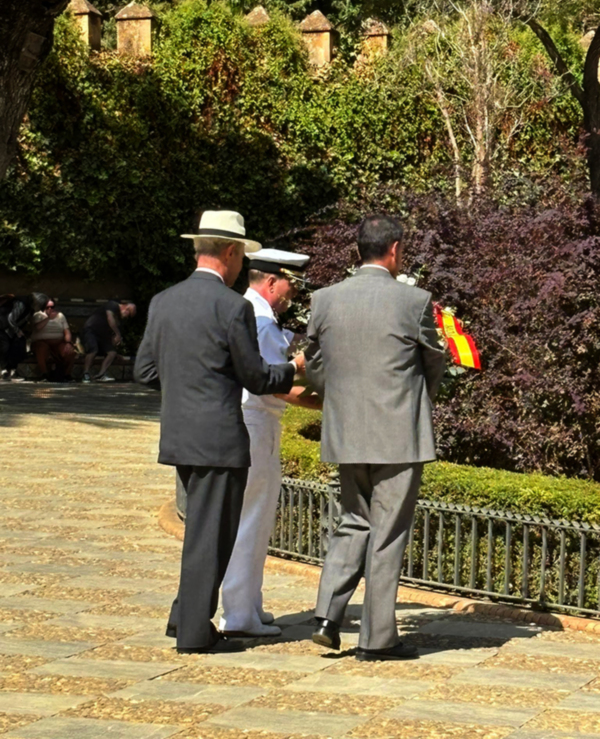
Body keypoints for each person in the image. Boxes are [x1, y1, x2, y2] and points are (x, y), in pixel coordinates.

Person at [134, 211, 305, 655]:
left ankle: (182, 617)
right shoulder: (233, 307)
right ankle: (194, 632)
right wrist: (295, 368)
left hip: (180, 433)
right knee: (214, 537)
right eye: (240, 256)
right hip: (220, 439)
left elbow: (145, 370)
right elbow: (256, 378)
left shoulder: (164, 300)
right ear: (230, 252)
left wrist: (189, 390)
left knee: (200, 532)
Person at [305, 214, 445, 662]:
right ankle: (378, 639)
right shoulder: (414, 301)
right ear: (395, 250)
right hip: (399, 433)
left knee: (353, 521)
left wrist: (343, 398)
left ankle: (327, 616)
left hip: (349, 431)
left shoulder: (325, 300)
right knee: (386, 533)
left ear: (358, 249)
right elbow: (433, 363)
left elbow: (314, 363)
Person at [220, 249, 322, 638]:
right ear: (271, 282)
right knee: (252, 519)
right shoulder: (260, 320)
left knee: (255, 518)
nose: (290, 296)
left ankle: (249, 604)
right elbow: (271, 384)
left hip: (256, 420)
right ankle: (240, 613)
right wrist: (317, 398)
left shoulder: (254, 313)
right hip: (256, 421)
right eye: (290, 288)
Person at [81, 301, 136, 383]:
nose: (127, 315)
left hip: (103, 336)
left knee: (112, 353)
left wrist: (115, 343)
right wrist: (117, 334)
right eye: (128, 312)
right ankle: (86, 373)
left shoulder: (120, 319)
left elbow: (112, 337)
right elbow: (110, 318)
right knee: (93, 350)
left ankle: (101, 374)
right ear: (125, 307)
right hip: (91, 331)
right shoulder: (112, 305)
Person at [0, 292, 48, 381]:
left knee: (19, 346)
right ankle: (4, 370)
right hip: (2, 326)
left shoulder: (30, 308)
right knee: (4, 346)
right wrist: (17, 331)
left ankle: (12, 371)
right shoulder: (22, 303)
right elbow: (11, 319)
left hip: (10, 329)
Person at [31, 298, 76, 381]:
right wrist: (48, 318)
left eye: (52, 307)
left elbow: (66, 331)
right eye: (47, 307)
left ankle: (66, 375)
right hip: (42, 341)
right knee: (41, 348)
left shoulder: (60, 316)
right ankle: (45, 374)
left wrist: (68, 342)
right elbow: (37, 327)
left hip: (58, 342)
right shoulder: (38, 315)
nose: (50, 309)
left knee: (70, 352)